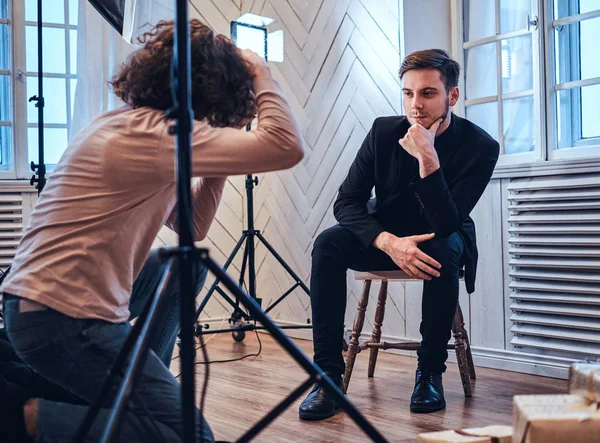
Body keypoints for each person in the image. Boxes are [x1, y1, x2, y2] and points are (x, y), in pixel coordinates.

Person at [1, 19, 303, 443]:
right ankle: (25, 418)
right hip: (62, 318)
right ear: (216, 87)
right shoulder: (159, 135)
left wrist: (224, 152)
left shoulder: (133, 126)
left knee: (179, 267)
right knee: (189, 435)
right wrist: (260, 70)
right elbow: (286, 146)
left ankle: (139, 383)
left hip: (43, 309)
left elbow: (191, 227)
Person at [299, 49, 499, 420]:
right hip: (386, 235)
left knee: (443, 247)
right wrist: (388, 242)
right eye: (408, 93)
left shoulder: (481, 147)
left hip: (442, 235)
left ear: (451, 96)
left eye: (427, 93)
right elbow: (347, 202)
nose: (415, 104)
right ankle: (327, 377)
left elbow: (445, 221)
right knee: (328, 243)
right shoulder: (382, 131)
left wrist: (428, 159)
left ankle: (429, 374)